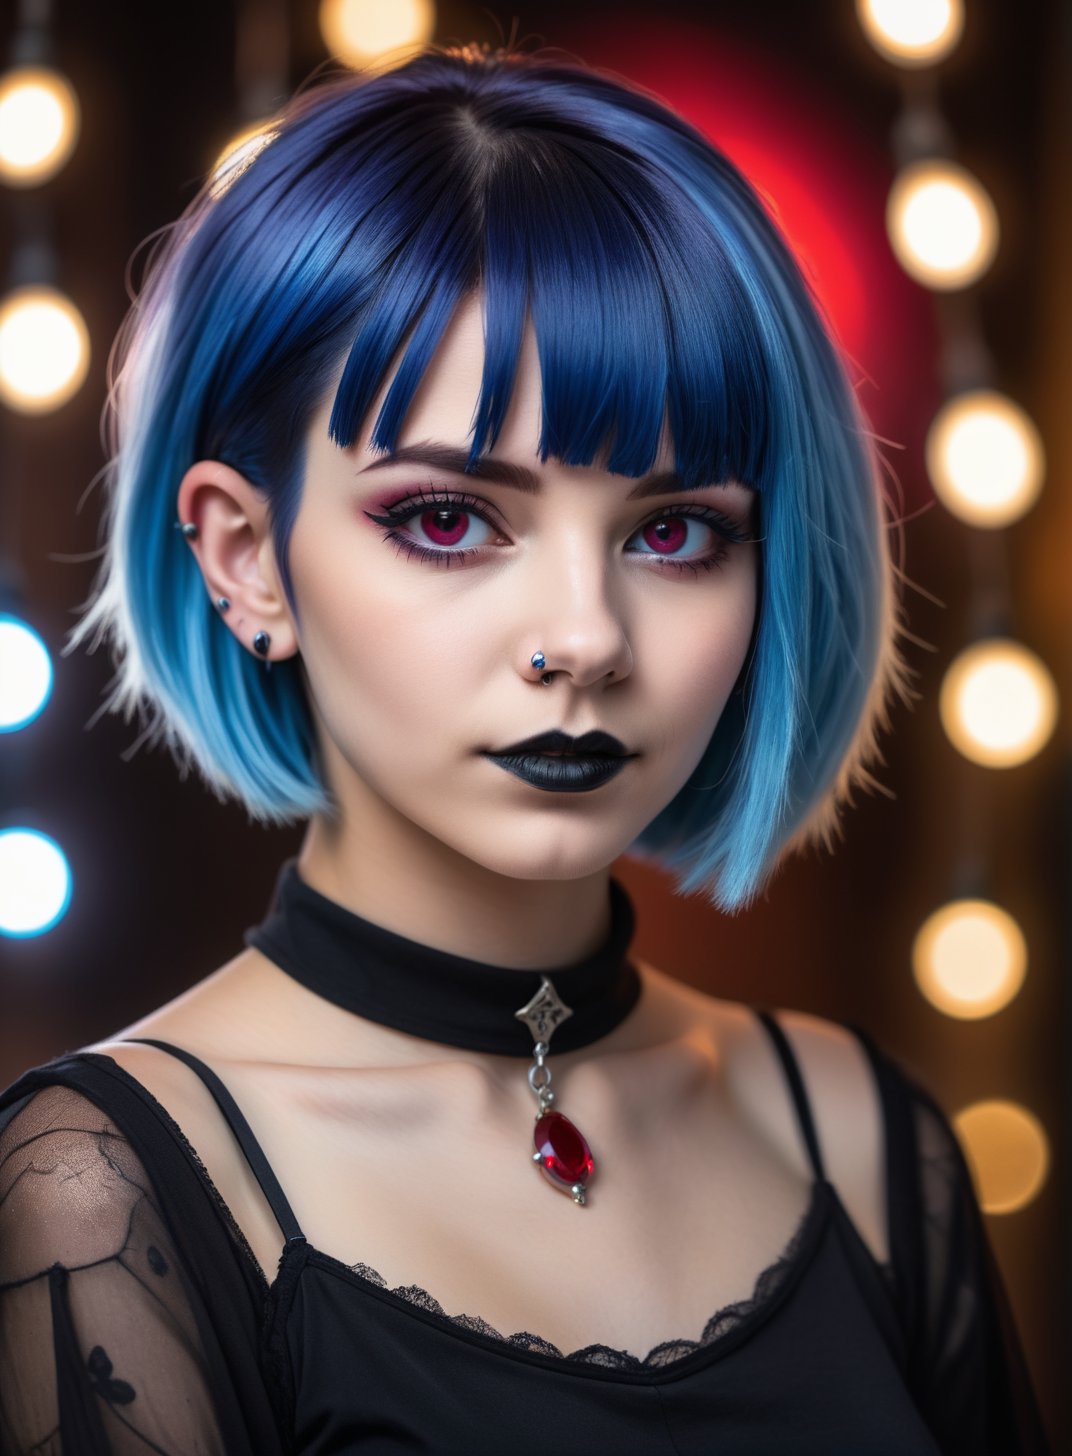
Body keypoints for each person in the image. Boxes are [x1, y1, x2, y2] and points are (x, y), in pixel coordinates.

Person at [0, 41, 1050, 1455]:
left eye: (675, 532)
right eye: (448, 519)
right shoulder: (99, 1195)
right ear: (244, 559)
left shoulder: (869, 1140)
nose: (584, 636)